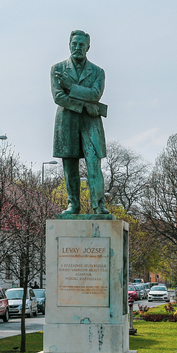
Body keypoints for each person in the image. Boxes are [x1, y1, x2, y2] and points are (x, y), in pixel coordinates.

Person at [51, 30, 109, 215]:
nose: (77, 48)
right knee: (70, 165)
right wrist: (85, 105)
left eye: (81, 45)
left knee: (94, 163)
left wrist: (71, 87)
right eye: (74, 44)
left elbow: (95, 94)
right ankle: (73, 204)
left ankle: (98, 205)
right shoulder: (58, 69)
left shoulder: (98, 72)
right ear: (69, 45)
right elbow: (59, 97)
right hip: (67, 121)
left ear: (88, 47)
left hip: (90, 123)